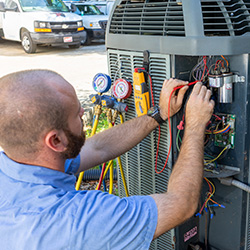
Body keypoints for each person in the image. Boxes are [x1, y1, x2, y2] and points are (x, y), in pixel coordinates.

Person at [0, 69, 214, 250]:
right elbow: (182, 204)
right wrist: (195, 124)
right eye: (77, 114)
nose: (84, 112)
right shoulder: (77, 221)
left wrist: (157, 115)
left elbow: (98, 147)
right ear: (55, 140)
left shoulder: (20, 163)